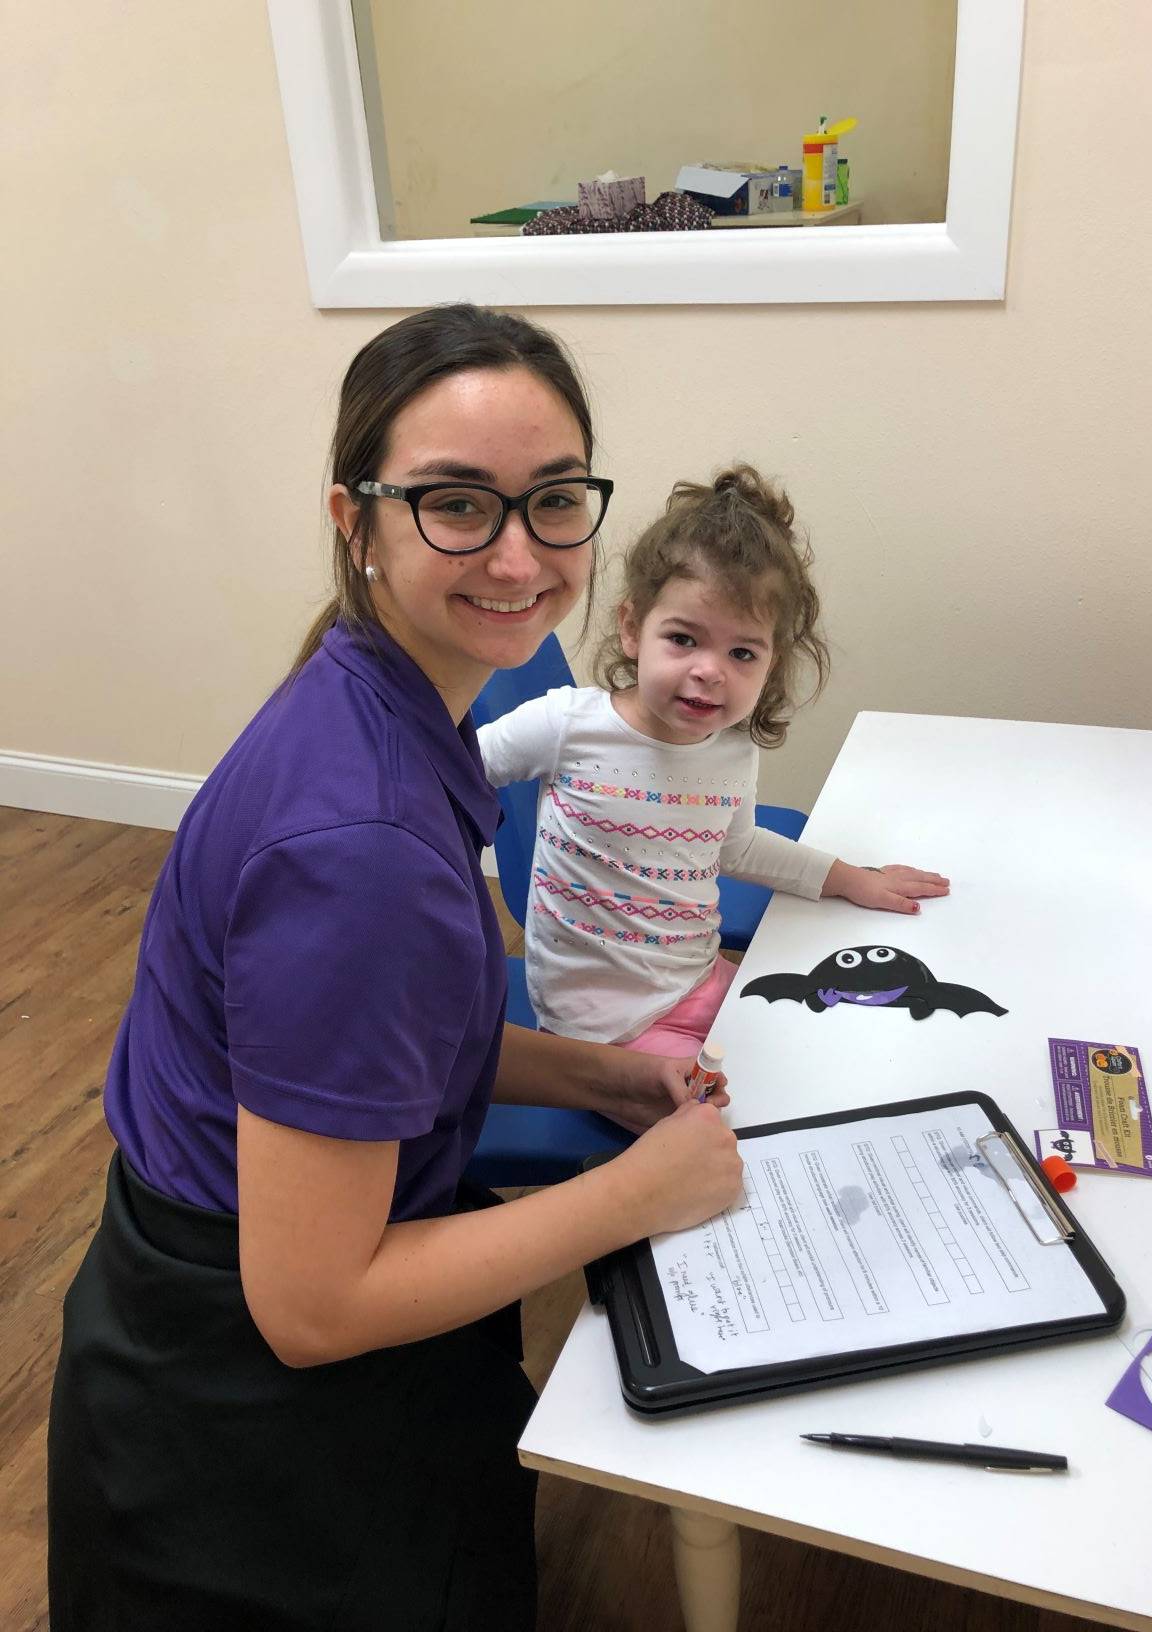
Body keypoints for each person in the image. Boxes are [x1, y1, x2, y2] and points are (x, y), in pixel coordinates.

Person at [46, 305, 742, 1632]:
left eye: (554, 502)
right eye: (456, 505)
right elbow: (313, 1304)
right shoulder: (359, 851)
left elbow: (393, 1038)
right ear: (355, 518)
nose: (520, 554)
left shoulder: (376, 695)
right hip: (251, 1423)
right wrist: (638, 1195)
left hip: (208, 1327)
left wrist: (593, 1073)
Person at [477, 466, 949, 1058]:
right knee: (732, 1113)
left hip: (694, 979)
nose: (710, 669)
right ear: (632, 628)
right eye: (683, 639)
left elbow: (738, 848)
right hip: (597, 1023)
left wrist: (854, 880)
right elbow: (454, 767)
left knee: (826, 1035)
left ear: (771, 666)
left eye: (742, 652)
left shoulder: (731, 749)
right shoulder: (569, 726)